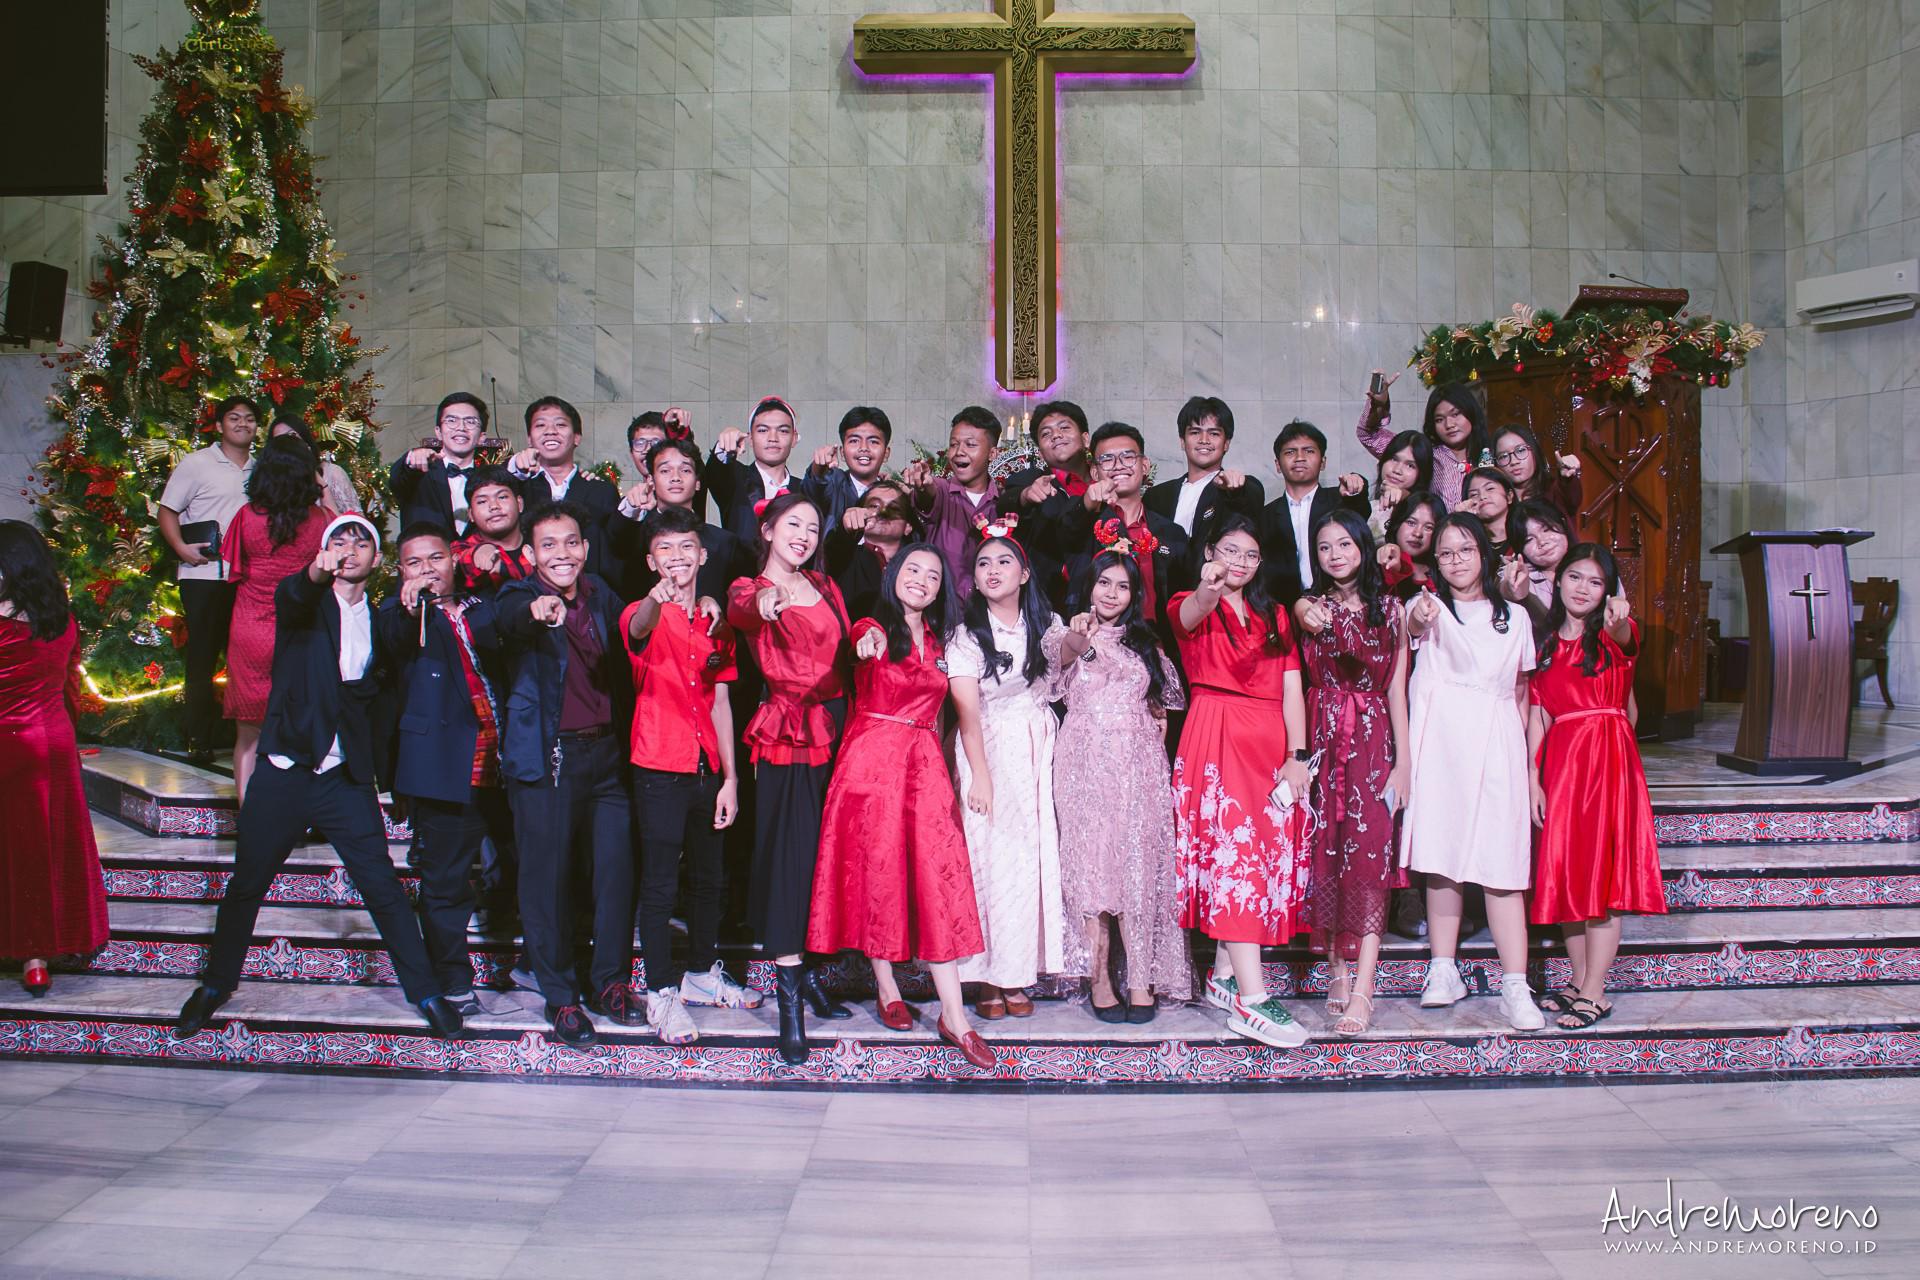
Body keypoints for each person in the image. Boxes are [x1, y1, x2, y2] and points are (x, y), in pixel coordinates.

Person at [176, 515, 465, 1040]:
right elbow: (294, 594)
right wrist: (316, 570)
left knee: (383, 887)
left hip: (343, 777)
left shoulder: (380, 617)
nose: (350, 548)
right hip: (286, 768)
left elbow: (402, 651)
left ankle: (426, 992)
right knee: (247, 884)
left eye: (362, 541)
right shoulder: (305, 603)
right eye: (339, 540)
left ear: (377, 559)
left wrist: (415, 604)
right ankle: (216, 985)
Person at [808, 544, 996, 1071]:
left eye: (933, 575)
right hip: (870, 765)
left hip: (924, 765)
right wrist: (866, 643)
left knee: (939, 879)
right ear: (893, 574)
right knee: (879, 873)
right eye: (913, 569)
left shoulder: (941, 642)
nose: (922, 580)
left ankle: (954, 1017)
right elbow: (859, 643)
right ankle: (886, 985)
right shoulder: (872, 625)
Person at [468, 501, 639, 1047]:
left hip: (607, 757)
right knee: (546, 881)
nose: (561, 554)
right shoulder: (518, 595)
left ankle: (610, 983)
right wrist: (538, 611)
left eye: (570, 543)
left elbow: (633, 633)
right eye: (548, 545)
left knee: (614, 873)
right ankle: (561, 997)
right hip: (549, 758)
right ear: (532, 554)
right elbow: (505, 620)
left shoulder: (600, 593)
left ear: (584, 548)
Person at [1171, 515, 1313, 1049]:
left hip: (1270, 744)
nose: (1241, 562)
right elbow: (1194, 608)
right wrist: (1209, 585)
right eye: (1230, 550)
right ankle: (1253, 1002)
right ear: (1211, 551)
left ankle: (1226, 977)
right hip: (1217, 736)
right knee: (1237, 860)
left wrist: (1297, 756)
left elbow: (1292, 687)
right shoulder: (1189, 602)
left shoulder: (1274, 613)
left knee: (1262, 858)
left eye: (1251, 555)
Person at [1401, 513, 1545, 1032]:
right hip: (1439, 742)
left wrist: (1528, 767)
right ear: (1435, 563)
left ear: (1485, 554)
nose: (1456, 560)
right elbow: (1413, 626)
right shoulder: (1428, 608)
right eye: (1445, 553)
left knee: (1503, 863)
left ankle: (1515, 986)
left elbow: (1523, 694)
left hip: (1497, 738)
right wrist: (1419, 614)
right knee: (1441, 859)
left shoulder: (1516, 617)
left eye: (1465, 549)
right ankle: (1443, 969)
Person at [725, 492, 855, 1064]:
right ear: (768, 531)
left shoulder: (825, 584)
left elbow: (847, 644)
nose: (803, 535)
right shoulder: (748, 587)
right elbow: (745, 611)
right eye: (793, 525)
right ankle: (789, 1006)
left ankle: (813, 974)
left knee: (829, 856)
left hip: (840, 726)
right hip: (790, 733)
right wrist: (768, 602)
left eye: (812, 527)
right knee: (789, 861)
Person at [620, 506, 757, 1047]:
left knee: (708, 880)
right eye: (665, 549)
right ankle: (660, 992)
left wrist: (731, 779)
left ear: (702, 555)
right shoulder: (644, 612)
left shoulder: (716, 623)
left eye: (685, 548)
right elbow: (637, 628)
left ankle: (700, 973)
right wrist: (657, 598)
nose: (676, 558)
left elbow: (722, 701)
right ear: (650, 559)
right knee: (659, 885)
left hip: (707, 768)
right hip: (659, 765)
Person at [376, 524, 514, 1016]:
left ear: (454, 560)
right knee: (446, 883)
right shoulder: (398, 614)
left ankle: (522, 959)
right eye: (414, 563)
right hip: (445, 769)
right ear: (400, 572)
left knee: (523, 866)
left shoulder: (483, 606)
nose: (427, 569)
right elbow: (394, 640)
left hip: (506, 764)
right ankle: (454, 980)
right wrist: (412, 606)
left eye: (435, 558)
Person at [1528, 545, 1665, 1030]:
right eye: (1575, 577)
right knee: (1570, 874)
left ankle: (1594, 991)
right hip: (1562, 766)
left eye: (1595, 581)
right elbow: (1539, 716)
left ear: (1607, 591)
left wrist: (1620, 619)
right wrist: (1533, 780)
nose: (1583, 588)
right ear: (1558, 581)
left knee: (1602, 879)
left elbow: (1625, 637)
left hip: (1606, 762)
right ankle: (1580, 979)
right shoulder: (1544, 644)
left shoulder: (1613, 633)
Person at [1050, 547, 1190, 1020]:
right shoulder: (1066, 632)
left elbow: (1162, 706)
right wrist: (1078, 634)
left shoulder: (1146, 643)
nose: (1112, 593)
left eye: (1123, 586)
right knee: (1090, 866)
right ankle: (1099, 978)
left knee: (1136, 866)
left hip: (1138, 766)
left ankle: (1141, 979)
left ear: (1134, 594)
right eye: (1104, 582)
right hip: (1084, 762)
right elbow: (1058, 665)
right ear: (1088, 586)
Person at [1292, 510, 1410, 1037]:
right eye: (1324, 547)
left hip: (1372, 738)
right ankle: (1336, 968)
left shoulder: (1392, 609)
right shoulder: (1310, 608)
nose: (1335, 555)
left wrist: (1404, 763)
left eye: (1344, 544)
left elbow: (1397, 691)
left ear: (1363, 546)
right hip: (1322, 736)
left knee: (1370, 857)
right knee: (1326, 853)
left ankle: (1364, 984)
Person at [948, 528, 1067, 1020]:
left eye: (1003, 562)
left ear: (1024, 573)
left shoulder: (1047, 624)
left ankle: (1017, 973)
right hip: (989, 746)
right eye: (983, 564)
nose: (992, 570)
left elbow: (1070, 663)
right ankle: (985, 975)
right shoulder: (965, 635)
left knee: (1028, 861)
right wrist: (980, 776)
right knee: (990, 859)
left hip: (1036, 746)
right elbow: (967, 714)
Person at [0, 521, 108, 997]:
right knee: (49, 849)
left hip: (7, 744)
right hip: (54, 743)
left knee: (14, 850)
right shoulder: (61, 620)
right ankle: (38, 958)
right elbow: (69, 688)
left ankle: (21, 945)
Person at [223, 434, 332, 803]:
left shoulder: (246, 517)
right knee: (300, 730)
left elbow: (233, 570)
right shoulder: (321, 521)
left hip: (251, 630)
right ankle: (297, 816)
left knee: (248, 736)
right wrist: (321, 487)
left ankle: (249, 817)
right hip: (300, 631)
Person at [157, 394, 257, 761]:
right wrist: (181, 549)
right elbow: (167, 510)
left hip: (247, 578)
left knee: (245, 657)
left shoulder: (260, 468)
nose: (242, 424)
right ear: (218, 425)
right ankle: (198, 737)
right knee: (202, 656)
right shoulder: (197, 463)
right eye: (234, 417)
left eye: (249, 418)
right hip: (203, 575)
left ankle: (243, 735)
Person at [1060, 422, 1187, 630]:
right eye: (1107, 459)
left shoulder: (1171, 533)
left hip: (1154, 642)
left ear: (1144, 466)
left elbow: (1179, 600)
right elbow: (1068, 525)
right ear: (1095, 473)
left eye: (1128, 457)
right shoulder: (1084, 520)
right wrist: (1088, 502)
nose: (1118, 465)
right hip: (1094, 640)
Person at [610, 437, 748, 604]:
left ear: (698, 483)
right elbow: (616, 543)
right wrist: (630, 506)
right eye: (665, 470)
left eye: (685, 470)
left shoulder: (725, 543)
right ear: (651, 480)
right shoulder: (636, 538)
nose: (675, 477)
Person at [1145, 396, 1266, 577]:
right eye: (1195, 432)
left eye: (1214, 433)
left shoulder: (1235, 488)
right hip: (1163, 589)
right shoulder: (1157, 496)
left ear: (1226, 443)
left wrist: (1233, 490)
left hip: (1214, 587)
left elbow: (1250, 499)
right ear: (1182, 441)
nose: (1204, 440)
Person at [1258, 419, 1369, 605]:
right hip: (1284, 609)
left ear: (1323, 462)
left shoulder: (1340, 500)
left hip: (1340, 603)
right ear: (1277, 465)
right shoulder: (1265, 515)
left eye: (1309, 451)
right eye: (1290, 452)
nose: (1299, 457)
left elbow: (1360, 510)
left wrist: (1356, 489)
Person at [507, 396, 620, 575]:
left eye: (560, 424)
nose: (550, 431)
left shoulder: (601, 492)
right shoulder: (517, 489)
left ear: (576, 438)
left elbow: (613, 553)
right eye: (540, 425)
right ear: (529, 439)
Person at [901, 405, 1003, 597]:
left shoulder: (1003, 503)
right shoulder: (942, 490)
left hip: (988, 609)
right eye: (954, 444)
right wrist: (923, 486)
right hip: (942, 608)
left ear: (992, 454)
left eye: (970, 445)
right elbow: (928, 494)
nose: (959, 452)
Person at [1002, 399, 1092, 613]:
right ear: (1041, 452)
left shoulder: (1107, 478)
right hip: (1050, 606)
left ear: (1085, 439)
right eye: (1046, 434)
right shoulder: (1030, 480)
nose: (1056, 435)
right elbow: (1007, 502)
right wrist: (1026, 496)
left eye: (1064, 428)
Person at [1355, 373, 1490, 508]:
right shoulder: (1425, 454)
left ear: (1470, 412)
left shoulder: (1491, 455)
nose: (1449, 425)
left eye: (1455, 414)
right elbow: (1367, 435)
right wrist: (1379, 405)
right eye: (1439, 419)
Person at [390, 391, 491, 535]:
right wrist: (411, 459)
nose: (461, 427)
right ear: (438, 432)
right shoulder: (418, 473)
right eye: (452, 420)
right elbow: (397, 480)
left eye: (470, 422)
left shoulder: (488, 480)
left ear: (481, 437)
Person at [824, 478, 918, 623]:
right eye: (874, 505)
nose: (883, 512)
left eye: (894, 508)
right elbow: (832, 553)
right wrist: (844, 531)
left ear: (908, 527)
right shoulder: (846, 558)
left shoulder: (916, 568)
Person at [707, 396, 800, 542]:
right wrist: (724, 446)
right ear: (750, 438)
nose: (773, 438)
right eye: (763, 430)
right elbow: (716, 472)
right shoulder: (735, 479)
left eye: (783, 431)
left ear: (794, 438)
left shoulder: (805, 489)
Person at [797, 406, 893, 530]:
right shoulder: (834, 482)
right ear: (842, 453)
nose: (864, 448)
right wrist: (818, 468)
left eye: (873, 441)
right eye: (854, 441)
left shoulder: (893, 494)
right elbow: (813, 489)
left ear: (886, 453)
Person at [451, 465, 533, 592]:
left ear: (519, 504)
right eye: (482, 502)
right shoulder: (461, 549)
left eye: (502, 497)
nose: (494, 506)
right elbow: (461, 558)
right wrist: (480, 552)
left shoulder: (539, 542)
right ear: (471, 515)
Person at [1492, 423, 1582, 522]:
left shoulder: (1554, 491)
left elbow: (1572, 497)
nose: (1514, 461)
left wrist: (1567, 478)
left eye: (1520, 450)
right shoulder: (1497, 501)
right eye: (1503, 456)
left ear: (1534, 451)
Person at [269, 413, 357, 515]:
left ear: (304, 438)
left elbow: (357, 521)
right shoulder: (275, 485)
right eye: (280, 441)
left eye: (292, 435)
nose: (289, 443)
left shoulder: (333, 473)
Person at [1510, 498, 1573, 620]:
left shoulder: (1593, 566)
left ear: (1563, 523)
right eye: (1529, 539)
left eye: (1546, 529)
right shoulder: (1524, 581)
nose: (1542, 542)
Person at [1364, 429, 1433, 540]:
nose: (1397, 470)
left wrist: (1406, 498)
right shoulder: (1368, 508)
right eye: (1394, 459)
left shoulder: (1426, 515)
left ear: (1421, 474)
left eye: (1410, 465)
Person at [1381, 491, 1446, 599]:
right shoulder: (1380, 564)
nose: (1418, 533)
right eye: (1411, 523)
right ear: (1397, 523)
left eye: (1429, 527)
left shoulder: (1444, 572)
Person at [1462, 466, 1520, 555]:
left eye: (1490, 489)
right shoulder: (1468, 543)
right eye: (1474, 494)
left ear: (1509, 496)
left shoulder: (1526, 533)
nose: (1482, 496)